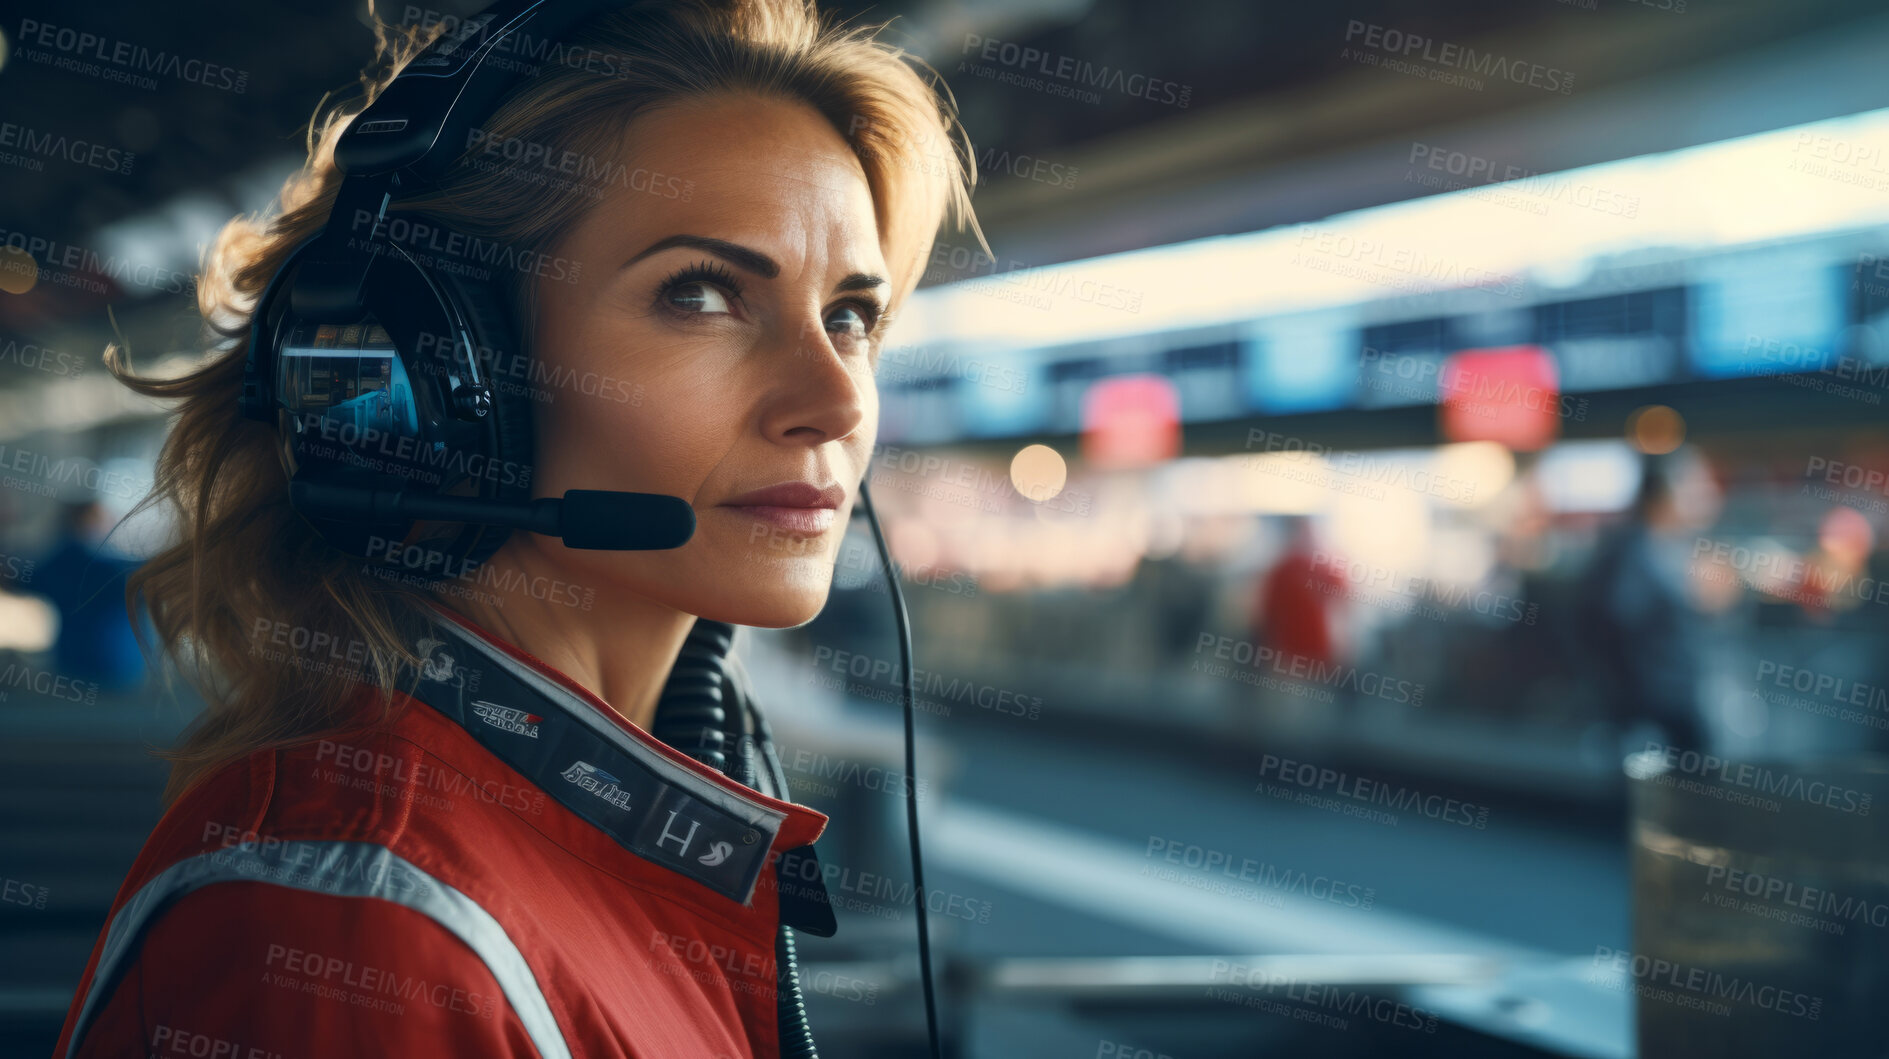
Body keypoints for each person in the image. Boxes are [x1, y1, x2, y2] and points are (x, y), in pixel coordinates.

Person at [51, 2, 983, 1057]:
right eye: (700, 294)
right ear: (448, 376)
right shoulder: (368, 935)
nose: (835, 399)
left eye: (851, 315)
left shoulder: (627, 831)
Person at [1577, 448, 1720, 754]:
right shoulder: (1633, 556)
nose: (1707, 495)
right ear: (1666, 494)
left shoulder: (1670, 548)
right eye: (1696, 485)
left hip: (1674, 710)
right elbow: (1616, 626)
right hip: (1652, 717)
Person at [27, 498, 149, 694]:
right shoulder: (117, 567)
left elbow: (19, 579)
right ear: (92, 521)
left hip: (70, 671)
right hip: (120, 671)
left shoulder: (55, 564)